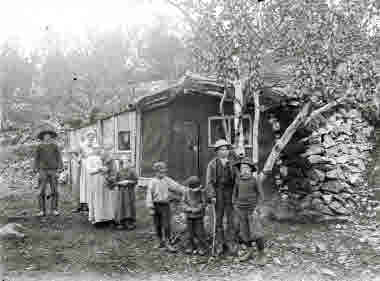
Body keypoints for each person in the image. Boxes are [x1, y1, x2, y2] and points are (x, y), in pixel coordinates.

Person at [146, 161, 186, 252]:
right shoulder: (152, 182)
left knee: (166, 224)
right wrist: (150, 207)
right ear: (155, 172)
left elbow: (177, 187)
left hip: (165, 206)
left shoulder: (167, 180)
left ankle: (168, 242)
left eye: (164, 172)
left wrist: (186, 190)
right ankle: (159, 241)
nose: (162, 174)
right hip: (156, 205)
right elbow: (149, 195)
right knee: (157, 225)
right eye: (160, 172)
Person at [232, 157, 266, 264]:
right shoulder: (238, 181)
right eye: (242, 168)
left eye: (247, 168)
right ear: (240, 170)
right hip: (241, 210)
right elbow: (234, 195)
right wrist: (235, 206)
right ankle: (249, 251)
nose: (245, 170)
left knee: (256, 232)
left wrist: (257, 208)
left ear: (251, 170)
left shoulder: (255, 181)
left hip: (252, 210)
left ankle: (262, 254)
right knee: (244, 232)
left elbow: (261, 196)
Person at [206, 139, 235, 256]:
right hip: (218, 193)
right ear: (217, 151)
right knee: (218, 220)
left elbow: (237, 179)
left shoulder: (233, 163)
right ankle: (219, 243)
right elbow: (208, 182)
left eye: (226, 149)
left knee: (231, 219)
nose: (225, 151)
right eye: (222, 149)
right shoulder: (212, 164)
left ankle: (231, 243)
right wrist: (212, 195)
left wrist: (237, 194)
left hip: (230, 192)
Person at [34, 127, 63, 216]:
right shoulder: (39, 146)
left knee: (55, 190)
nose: (47, 137)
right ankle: (41, 210)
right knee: (41, 191)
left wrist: (60, 168)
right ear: (42, 137)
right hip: (42, 170)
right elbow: (36, 158)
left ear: (51, 137)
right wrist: (36, 170)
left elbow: (59, 158)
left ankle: (54, 209)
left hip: (53, 170)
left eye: (49, 135)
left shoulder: (54, 146)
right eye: (45, 136)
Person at [86, 144, 114, 225]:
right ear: (92, 149)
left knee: (105, 198)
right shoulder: (89, 158)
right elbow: (89, 171)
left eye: (98, 148)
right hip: (94, 180)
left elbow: (108, 167)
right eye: (94, 148)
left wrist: (106, 170)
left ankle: (106, 217)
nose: (96, 150)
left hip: (103, 179)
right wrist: (98, 169)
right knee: (97, 198)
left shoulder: (103, 157)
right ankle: (97, 218)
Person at [182, 176, 208, 256]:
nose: (195, 191)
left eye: (197, 188)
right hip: (189, 216)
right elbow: (183, 203)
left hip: (199, 216)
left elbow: (204, 203)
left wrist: (198, 209)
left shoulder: (202, 192)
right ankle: (190, 246)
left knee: (200, 232)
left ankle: (201, 247)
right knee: (189, 233)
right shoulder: (186, 192)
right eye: (193, 189)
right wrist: (188, 208)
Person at [111, 155, 138, 230]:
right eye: (123, 162)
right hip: (121, 193)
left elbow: (136, 180)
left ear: (129, 163)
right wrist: (120, 183)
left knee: (129, 205)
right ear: (121, 163)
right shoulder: (119, 172)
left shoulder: (132, 171)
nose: (125, 164)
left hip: (129, 192)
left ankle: (129, 221)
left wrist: (129, 181)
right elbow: (115, 182)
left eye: (127, 162)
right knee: (121, 206)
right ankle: (121, 222)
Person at [79, 130, 97, 212]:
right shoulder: (83, 145)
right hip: (85, 166)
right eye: (90, 135)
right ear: (87, 136)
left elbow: (98, 154)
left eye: (93, 136)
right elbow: (80, 156)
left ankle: (93, 202)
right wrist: (81, 158)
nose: (91, 137)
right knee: (85, 183)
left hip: (94, 165)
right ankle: (85, 203)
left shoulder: (96, 145)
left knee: (93, 183)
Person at [69, 148, 82, 213]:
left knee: (77, 192)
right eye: (71, 154)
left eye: (73, 154)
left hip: (78, 179)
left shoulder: (78, 161)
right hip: (74, 179)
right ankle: (76, 206)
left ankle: (78, 206)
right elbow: (71, 171)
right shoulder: (72, 161)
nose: (71, 155)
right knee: (74, 192)